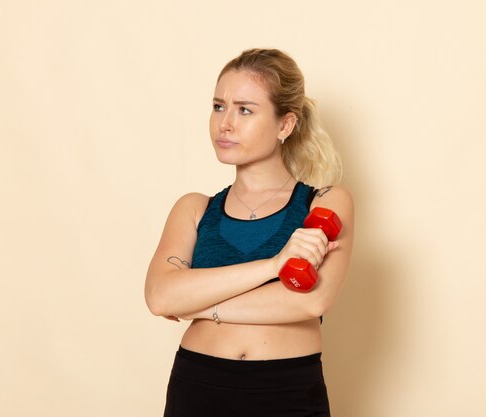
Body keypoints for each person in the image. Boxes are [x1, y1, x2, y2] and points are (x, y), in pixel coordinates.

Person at [145, 48, 354, 417]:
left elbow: (310, 301)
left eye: (244, 109)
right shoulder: (194, 208)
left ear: (284, 125)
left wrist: (197, 302)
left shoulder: (324, 203)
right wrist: (274, 266)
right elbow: (161, 297)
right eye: (218, 106)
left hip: (286, 391)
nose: (225, 123)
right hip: (198, 385)